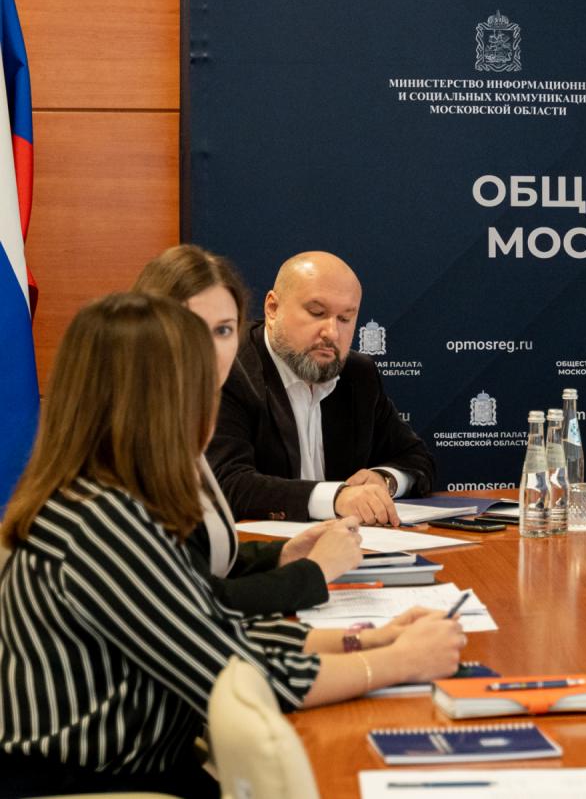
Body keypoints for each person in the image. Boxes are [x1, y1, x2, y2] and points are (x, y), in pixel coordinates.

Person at [0, 293, 464, 797]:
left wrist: (369, 640)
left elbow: (216, 629)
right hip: (93, 784)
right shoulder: (103, 523)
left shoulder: (110, 497)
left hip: (136, 764)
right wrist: (400, 662)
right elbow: (242, 675)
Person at [133, 244, 360, 614]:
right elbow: (193, 610)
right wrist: (315, 573)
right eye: (192, 328)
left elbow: (197, 561)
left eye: (224, 330)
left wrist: (284, 554)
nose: (212, 349)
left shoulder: (180, 423)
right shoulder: (136, 439)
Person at [207, 251, 436, 524]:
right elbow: (226, 483)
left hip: (349, 543)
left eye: (345, 318)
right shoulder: (227, 367)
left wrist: (384, 479)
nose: (332, 333)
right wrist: (336, 498)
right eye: (317, 313)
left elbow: (417, 459)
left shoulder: (358, 374)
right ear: (273, 309)